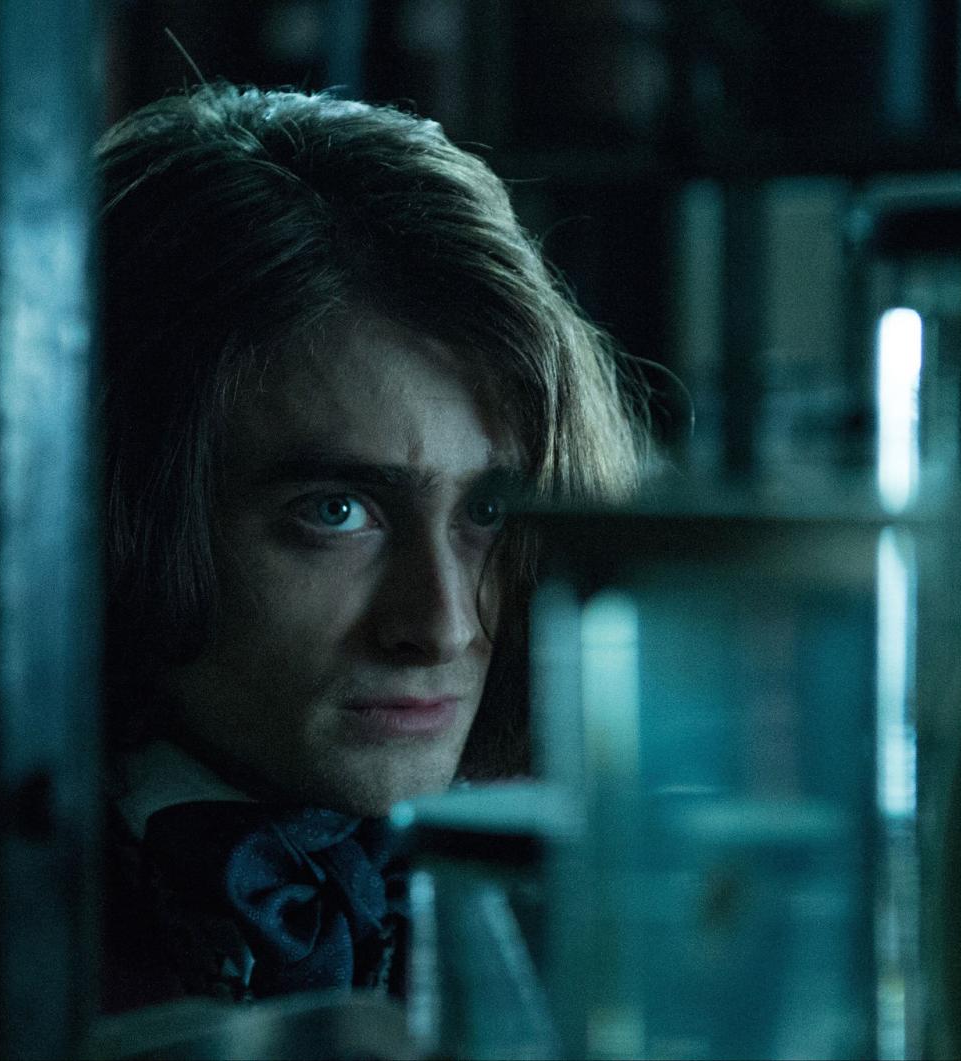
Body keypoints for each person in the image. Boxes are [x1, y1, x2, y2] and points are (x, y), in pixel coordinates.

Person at [93, 81, 651, 1014]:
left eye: (491, 510)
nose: (440, 625)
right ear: (124, 506)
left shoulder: (583, 898)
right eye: (337, 510)